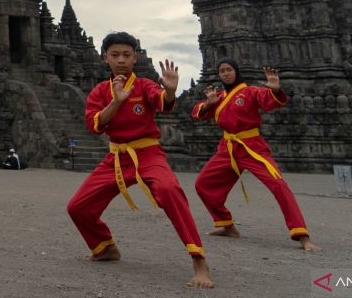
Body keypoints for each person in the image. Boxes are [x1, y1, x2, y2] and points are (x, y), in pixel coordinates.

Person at [66, 32, 213, 289]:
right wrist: (115, 102)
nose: (121, 60)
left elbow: (162, 102)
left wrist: (169, 90)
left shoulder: (144, 85)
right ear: (105, 59)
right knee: (77, 207)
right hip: (116, 156)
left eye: (126, 55)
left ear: (136, 57)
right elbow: (95, 125)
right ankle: (105, 248)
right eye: (115, 55)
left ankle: (199, 262)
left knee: (169, 191)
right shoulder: (100, 91)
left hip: (148, 154)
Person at [192, 58, 321, 251]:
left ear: (236, 71)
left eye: (229, 70)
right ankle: (226, 225)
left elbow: (270, 101)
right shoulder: (218, 97)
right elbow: (198, 113)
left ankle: (302, 235)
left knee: (278, 184)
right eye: (222, 71)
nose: (226, 73)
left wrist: (275, 89)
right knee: (203, 184)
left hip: (252, 147)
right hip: (227, 148)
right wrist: (210, 104)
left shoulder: (250, 91)